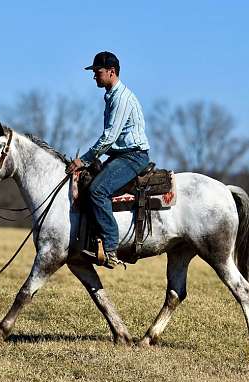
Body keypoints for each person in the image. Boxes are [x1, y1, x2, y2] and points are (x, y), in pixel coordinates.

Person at [67, 51, 150, 268]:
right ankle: (92, 240)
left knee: (98, 191)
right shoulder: (112, 95)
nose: (94, 76)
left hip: (132, 156)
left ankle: (111, 247)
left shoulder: (121, 98)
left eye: (97, 72)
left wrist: (84, 160)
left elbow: (109, 137)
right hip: (120, 155)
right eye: (94, 72)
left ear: (111, 72)